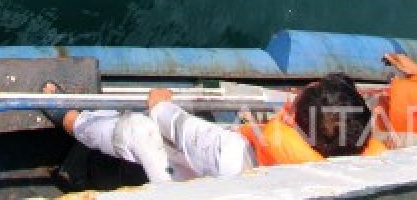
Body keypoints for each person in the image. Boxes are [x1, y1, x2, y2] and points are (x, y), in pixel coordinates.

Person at [43, 73, 381, 184]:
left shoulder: (231, 152)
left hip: (209, 182)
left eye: (294, 103)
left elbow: (180, 127)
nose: (289, 101)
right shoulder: (339, 171)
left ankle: (71, 120)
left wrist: (160, 102)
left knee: (139, 130)